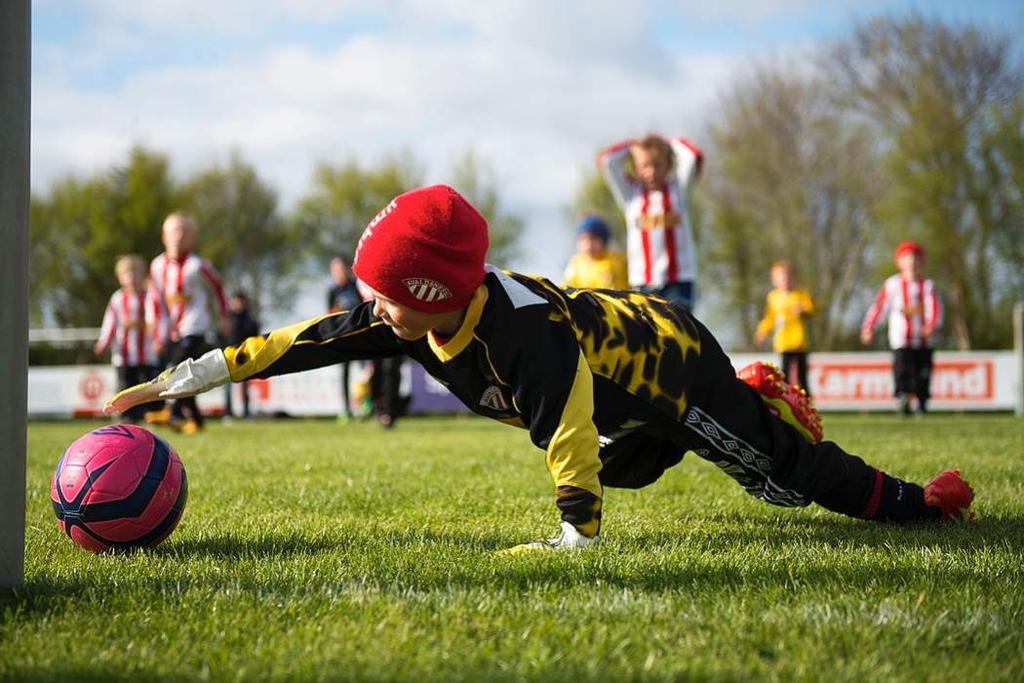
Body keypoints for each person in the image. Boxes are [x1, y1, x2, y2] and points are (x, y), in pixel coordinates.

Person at [107, 186, 974, 552]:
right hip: (616, 394)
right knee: (634, 466)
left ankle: (913, 502)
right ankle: (696, 431)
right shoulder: (410, 316)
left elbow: (564, 428)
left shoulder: (523, 337)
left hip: (669, 363)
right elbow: (304, 338)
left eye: (386, 291)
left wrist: (575, 536)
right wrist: (189, 375)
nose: (373, 308)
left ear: (435, 290)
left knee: (778, 475)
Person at [145, 212, 228, 434]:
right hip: (171, 330)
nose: (179, 236)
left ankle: (171, 411)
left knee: (176, 369)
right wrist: (155, 331)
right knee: (186, 373)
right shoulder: (157, 266)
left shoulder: (198, 265)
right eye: (174, 230)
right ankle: (196, 420)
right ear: (164, 236)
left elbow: (218, 289)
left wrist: (223, 317)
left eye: (185, 231)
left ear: (193, 238)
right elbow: (155, 298)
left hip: (195, 327)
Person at [598, 133, 703, 311]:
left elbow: (692, 156)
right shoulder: (631, 194)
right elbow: (607, 161)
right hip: (643, 282)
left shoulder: (679, 190)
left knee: (677, 334)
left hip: (679, 281)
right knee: (647, 337)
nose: (651, 172)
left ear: (669, 165)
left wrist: (669, 143)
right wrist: (633, 146)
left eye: (658, 165)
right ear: (636, 167)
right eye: (645, 166)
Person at [861, 241, 942, 416]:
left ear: (922, 262)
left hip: (923, 340)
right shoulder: (892, 284)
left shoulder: (927, 285)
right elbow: (879, 307)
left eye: (915, 258)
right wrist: (869, 327)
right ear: (899, 262)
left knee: (923, 371)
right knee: (902, 369)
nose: (911, 262)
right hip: (901, 339)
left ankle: (922, 402)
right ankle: (902, 398)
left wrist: (931, 325)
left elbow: (935, 307)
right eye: (906, 258)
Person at [94, 255, 166, 423]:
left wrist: (159, 340)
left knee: (150, 387)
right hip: (124, 356)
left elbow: (159, 320)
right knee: (126, 388)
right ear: (120, 278)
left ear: (144, 276)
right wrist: (103, 343)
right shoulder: (118, 298)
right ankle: (127, 419)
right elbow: (109, 324)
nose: (132, 278)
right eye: (127, 274)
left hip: (148, 355)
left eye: (136, 273)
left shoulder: (150, 297)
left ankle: (154, 416)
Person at [754, 261, 815, 395]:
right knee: (784, 376)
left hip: (800, 342)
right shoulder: (773, 298)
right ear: (775, 281)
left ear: (793, 278)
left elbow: (812, 307)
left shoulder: (801, 294)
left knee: (802, 377)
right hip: (783, 343)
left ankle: (806, 406)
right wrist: (762, 331)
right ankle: (786, 402)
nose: (785, 281)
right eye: (781, 279)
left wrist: (803, 309)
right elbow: (770, 318)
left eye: (788, 278)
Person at [327, 255, 364, 421]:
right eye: (334, 269)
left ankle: (366, 406)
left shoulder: (356, 286)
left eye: (340, 268)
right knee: (345, 374)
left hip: (361, 335)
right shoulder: (332, 291)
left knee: (365, 372)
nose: (338, 272)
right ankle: (346, 409)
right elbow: (329, 315)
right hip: (343, 336)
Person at [562, 214, 629, 290]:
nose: (589, 244)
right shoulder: (575, 265)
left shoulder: (617, 261)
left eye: (594, 239)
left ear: (604, 241)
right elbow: (567, 290)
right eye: (583, 239)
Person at [223, 290, 260, 419]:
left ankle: (246, 412)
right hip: (228, 356)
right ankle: (227, 412)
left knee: (245, 386)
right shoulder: (227, 320)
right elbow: (222, 337)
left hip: (244, 356)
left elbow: (255, 338)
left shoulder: (250, 320)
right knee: (227, 387)